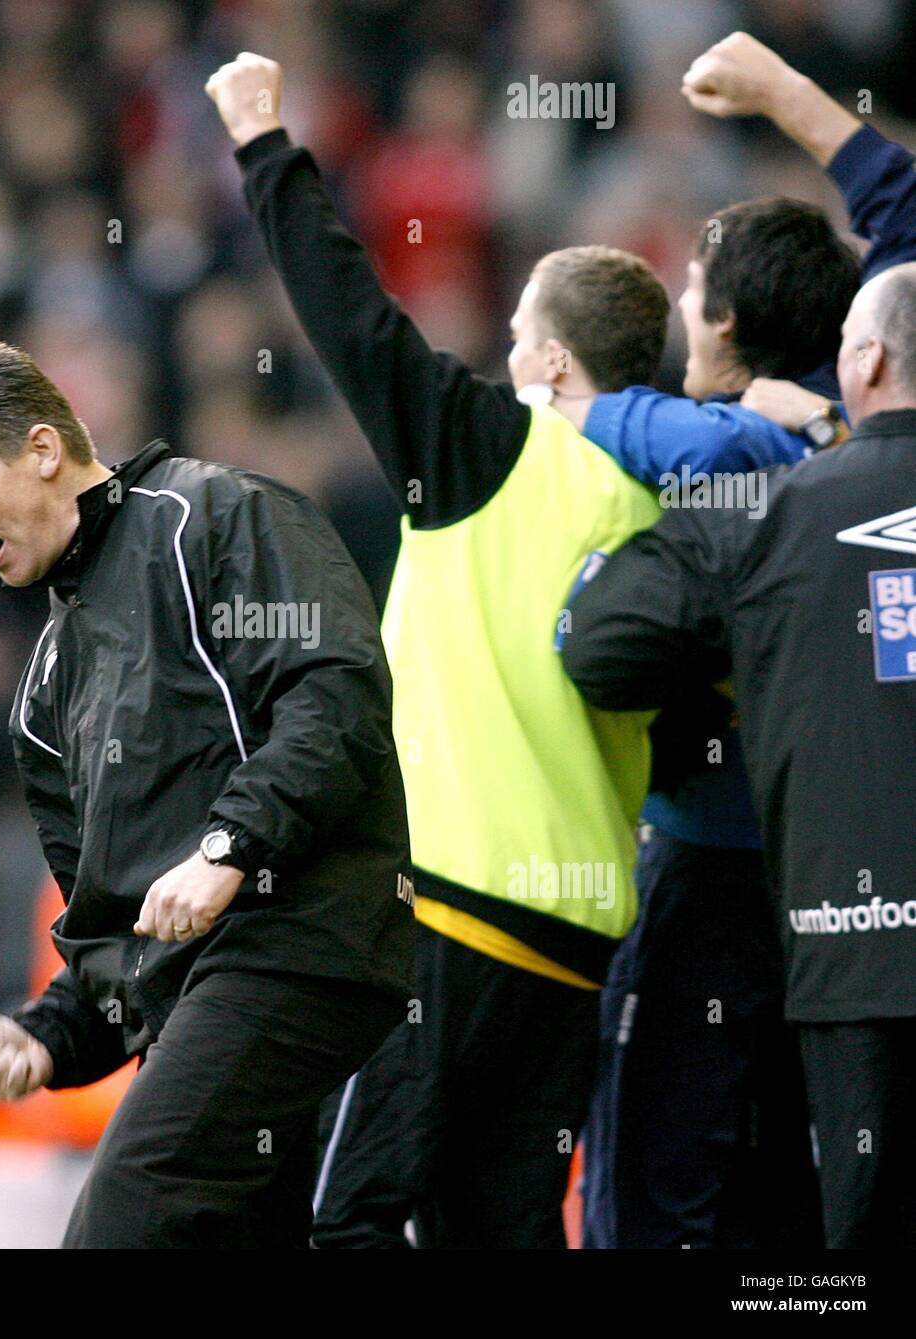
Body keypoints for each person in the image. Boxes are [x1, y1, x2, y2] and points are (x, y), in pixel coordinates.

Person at [206, 52, 669, 1247]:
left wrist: (264, 143)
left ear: (556, 363)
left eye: (519, 338)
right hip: (577, 940)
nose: (503, 359)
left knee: (353, 1217)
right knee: (502, 1226)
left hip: (453, 912)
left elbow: (347, 309)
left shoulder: (488, 447)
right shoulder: (660, 499)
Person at [0, 338, 414, 1248]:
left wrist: (229, 849)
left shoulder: (214, 515)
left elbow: (338, 695)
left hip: (300, 945)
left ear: (44, 451)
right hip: (203, 1001)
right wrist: (50, 1035)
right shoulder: (43, 693)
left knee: (124, 1220)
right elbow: (109, 927)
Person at [549, 31, 916, 1248]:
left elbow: (602, 638)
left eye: (692, 290)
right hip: (851, 874)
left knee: (658, 1186)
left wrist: (592, 403)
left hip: (711, 856)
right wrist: (787, 97)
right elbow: (904, 228)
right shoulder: (841, 426)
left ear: (730, 316)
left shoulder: (714, 459)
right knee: (803, 1198)